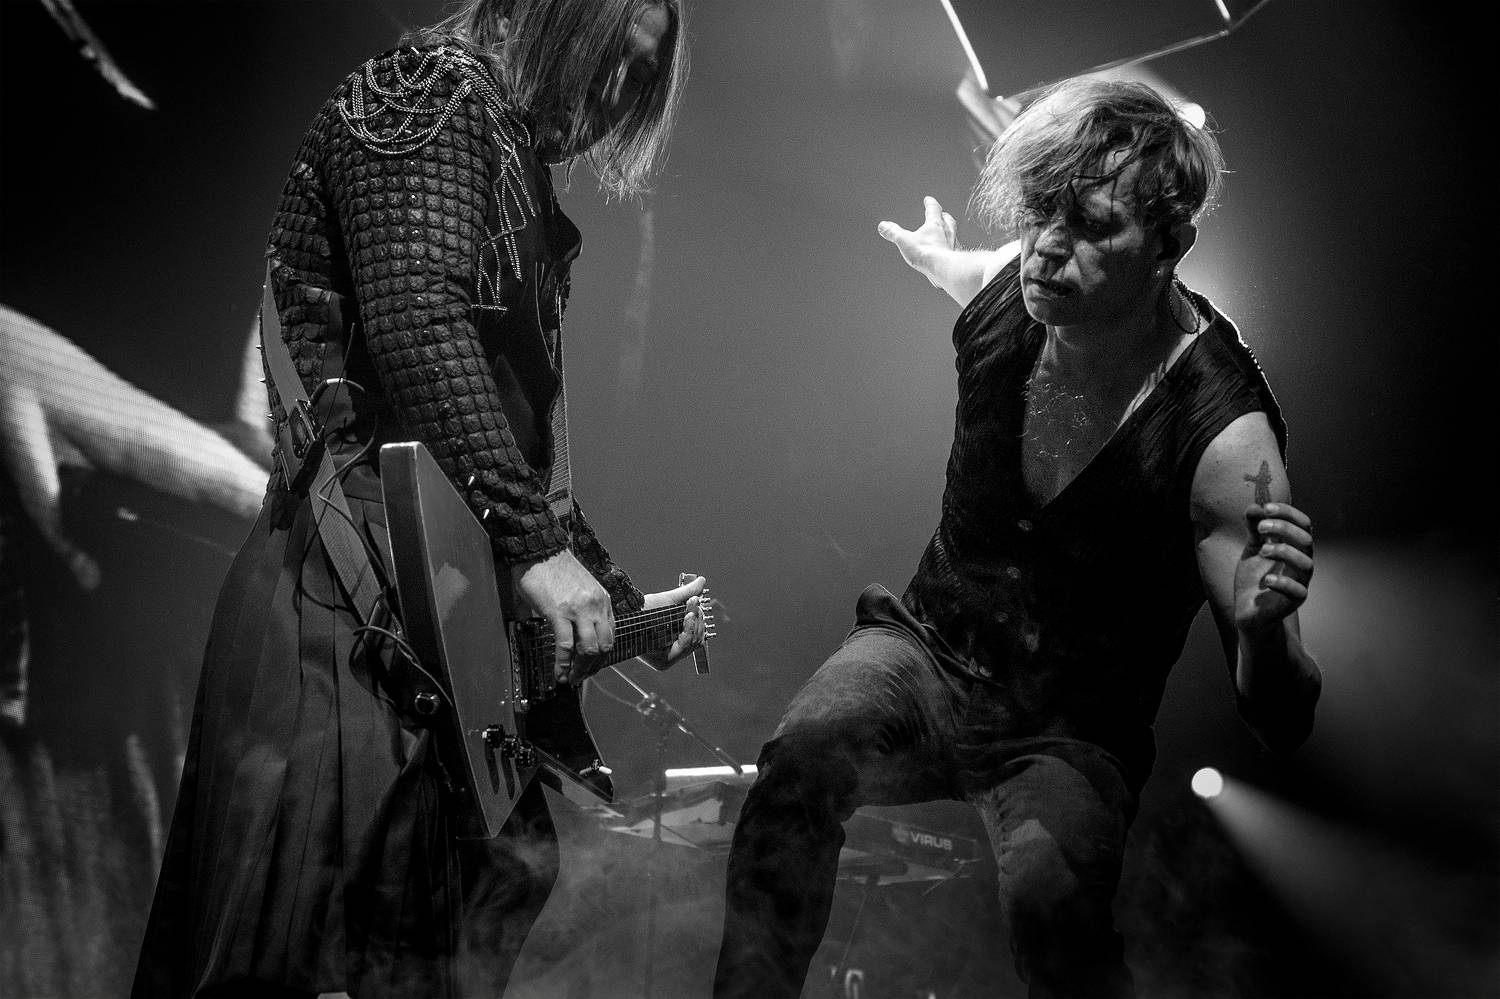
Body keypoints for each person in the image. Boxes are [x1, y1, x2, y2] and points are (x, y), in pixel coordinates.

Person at [133, 2, 704, 996]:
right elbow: (418, 327)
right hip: (337, 611)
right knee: (297, 942)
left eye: (640, 79)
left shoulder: (503, 151)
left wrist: (616, 605)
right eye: (610, 59)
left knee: (485, 894)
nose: (617, 99)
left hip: (420, 627)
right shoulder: (429, 94)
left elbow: (511, 438)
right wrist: (536, 549)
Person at [713, 76, 1322, 998]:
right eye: (1039, 213)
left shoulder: (1224, 440)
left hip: (1068, 730)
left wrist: (1265, 632)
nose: (1047, 247)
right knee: (802, 754)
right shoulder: (1017, 284)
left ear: (1169, 245)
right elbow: (974, 271)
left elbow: (1284, 720)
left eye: (1091, 225)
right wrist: (935, 257)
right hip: (928, 649)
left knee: (1054, 907)